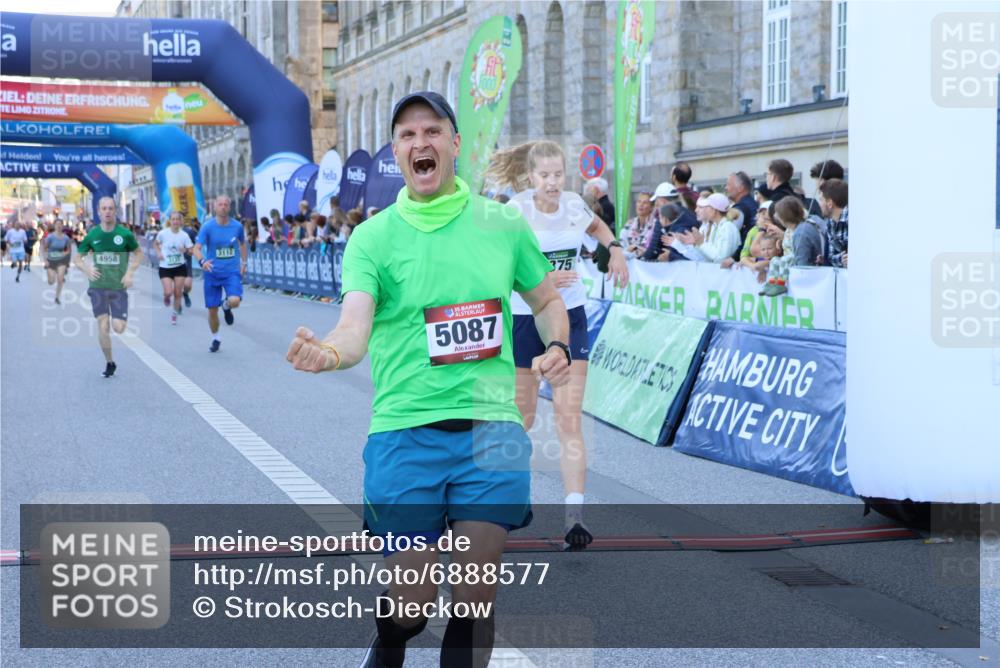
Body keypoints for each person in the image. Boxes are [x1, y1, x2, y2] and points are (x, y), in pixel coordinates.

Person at [287, 91, 571, 668]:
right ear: (397, 152)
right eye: (409, 135)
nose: (422, 143)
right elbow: (353, 326)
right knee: (409, 608)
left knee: (474, 600)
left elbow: (545, 300)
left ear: (454, 144)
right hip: (405, 433)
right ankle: (389, 642)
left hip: (491, 433)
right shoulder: (373, 237)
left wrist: (558, 343)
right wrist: (330, 355)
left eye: (433, 132)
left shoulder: (501, 224)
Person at [486, 139, 629, 551]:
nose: (551, 182)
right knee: (522, 417)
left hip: (571, 319)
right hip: (525, 319)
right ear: (530, 177)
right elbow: (498, 264)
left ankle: (574, 517)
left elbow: (598, 228)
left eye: (557, 175)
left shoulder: (572, 205)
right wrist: (544, 276)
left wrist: (615, 249)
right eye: (544, 176)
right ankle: (499, 503)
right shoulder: (515, 211)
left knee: (569, 418)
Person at [73, 196, 143, 378]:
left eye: (110, 208)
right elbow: (77, 258)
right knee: (103, 326)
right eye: (104, 208)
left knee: (118, 327)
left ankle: (113, 346)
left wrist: (129, 273)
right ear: (98, 211)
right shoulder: (93, 235)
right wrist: (87, 269)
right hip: (98, 287)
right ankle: (110, 362)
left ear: (115, 211)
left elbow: (138, 253)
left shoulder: (125, 234)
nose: (107, 212)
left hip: (119, 288)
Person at [192, 196, 247, 352]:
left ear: (229, 208)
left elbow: (242, 244)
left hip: (231, 272)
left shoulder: (237, 227)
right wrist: (202, 261)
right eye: (220, 204)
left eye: (226, 204)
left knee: (235, 301)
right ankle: (216, 337)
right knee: (212, 310)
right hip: (212, 272)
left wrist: (244, 263)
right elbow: (196, 248)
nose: (223, 207)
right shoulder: (207, 227)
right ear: (215, 207)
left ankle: (226, 305)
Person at [759, 196, 819, 296]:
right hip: (788, 257)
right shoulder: (789, 229)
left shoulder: (800, 230)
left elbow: (799, 252)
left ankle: (782, 283)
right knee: (774, 260)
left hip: (795, 260)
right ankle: (771, 282)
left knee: (783, 261)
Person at [154, 211, 195, 325]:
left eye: (178, 219)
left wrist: (186, 250)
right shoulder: (163, 233)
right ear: (170, 221)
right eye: (173, 219)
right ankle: (166, 296)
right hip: (165, 267)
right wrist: (158, 253)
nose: (175, 221)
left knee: (178, 293)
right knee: (168, 292)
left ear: (181, 221)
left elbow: (192, 251)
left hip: (179, 267)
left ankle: (174, 313)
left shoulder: (184, 235)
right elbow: (155, 243)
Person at [676, 193, 741, 263]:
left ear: (714, 210)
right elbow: (707, 258)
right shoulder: (717, 226)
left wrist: (701, 243)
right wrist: (696, 244)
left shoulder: (728, 227)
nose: (696, 210)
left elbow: (720, 258)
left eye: (707, 207)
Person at [818, 178, 849, 268]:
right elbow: (831, 257)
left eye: (821, 200)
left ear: (830, 203)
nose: (819, 204)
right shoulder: (830, 223)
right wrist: (842, 259)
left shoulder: (855, 220)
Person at [42, 221, 72, 303]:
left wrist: (67, 258)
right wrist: (45, 260)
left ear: (62, 226)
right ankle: (50, 275)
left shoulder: (66, 238)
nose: (59, 226)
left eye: (60, 224)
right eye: (57, 224)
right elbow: (44, 249)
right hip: (51, 260)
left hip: (61, 260)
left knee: (60, 278)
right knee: (51, 282)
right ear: (54, 226)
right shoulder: (50, 237)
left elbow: (69, 250)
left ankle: (57, 297)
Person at [724, 171, 759, 241]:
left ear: (741, 188)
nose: (726, 188)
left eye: (728, 185)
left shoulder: (741, 208)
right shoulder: (752, 204)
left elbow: (728, 236)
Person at [620, 190, 656, 256]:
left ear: (651, 207)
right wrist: (628, 250)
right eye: (639, 201)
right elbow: (621, 245)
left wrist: (636, 249)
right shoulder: (629, 223)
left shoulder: (656, 225)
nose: (641, 205)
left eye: (645, 203)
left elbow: (653, 250)